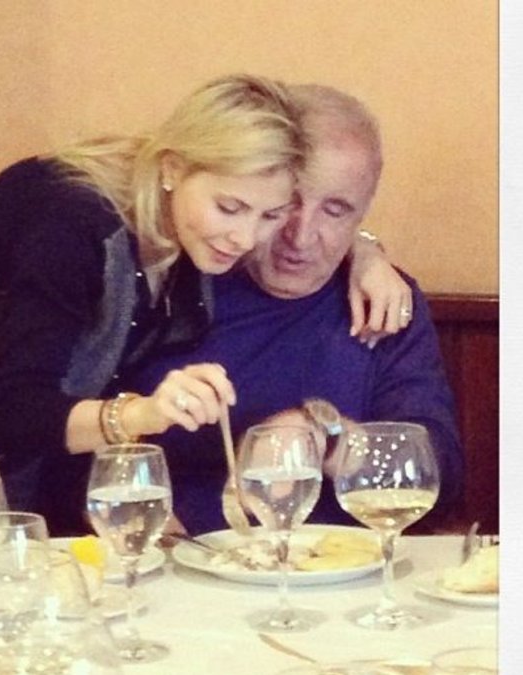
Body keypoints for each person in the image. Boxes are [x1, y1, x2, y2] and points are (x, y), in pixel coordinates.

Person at [0, 74, 410, 537]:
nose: (246, 239)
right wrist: (143, 415)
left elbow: (315, 214)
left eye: (269, 216)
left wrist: (364, 250)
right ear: (172, 169)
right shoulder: (71, 219)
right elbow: (17, 416)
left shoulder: (189, 230)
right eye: (231, 208)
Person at [124, 83, 464, 535]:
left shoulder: (383, 302)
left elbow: (437, 473)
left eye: (335, 211)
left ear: (362, 215)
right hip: (183, 559)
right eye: (288, 205)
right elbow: (80, 445)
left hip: (339, 568)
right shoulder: (175, 280)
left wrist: (324, 436)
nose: (301, 237)